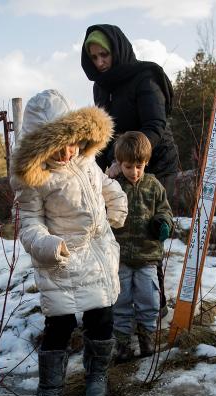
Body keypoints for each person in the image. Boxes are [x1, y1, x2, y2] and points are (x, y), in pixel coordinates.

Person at [10, 89, 128, 396]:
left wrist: (117, 201)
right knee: (59, 325)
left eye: (71, 143)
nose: (66, 153)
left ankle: (96, 377)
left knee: (101, 318)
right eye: (56, 147)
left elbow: (103, 183)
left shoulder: (86, 160)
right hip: (61, 261)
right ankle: (49, 388)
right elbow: (28, 223)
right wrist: (49, 246)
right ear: (40, 146)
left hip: (98, 255)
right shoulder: (35, 179)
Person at [81, 24, 181, 313]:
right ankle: (121, 297)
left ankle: (153, 304)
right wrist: (95, 166)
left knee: (147, 228)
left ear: (117, 50)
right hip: (119, 163)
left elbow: (155, 126)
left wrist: (131, 158)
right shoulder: (102, 85)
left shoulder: (145, 78)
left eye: (104, 55)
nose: (100, 63)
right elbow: (105, 129)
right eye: (94, 57)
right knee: (119, 228)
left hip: (154, 162)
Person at [110, 131, 173, 361]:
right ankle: (123, 343)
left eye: (139, 166)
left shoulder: (154, 186)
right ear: (119, 163)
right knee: (121, 301)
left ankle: (147, 337)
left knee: (150, 299)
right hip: (120, 258)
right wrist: (109, 174)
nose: (134, 172)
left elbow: (165, 210)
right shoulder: (113, 186)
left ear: (146, 163)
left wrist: (163, 223)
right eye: (128, 166)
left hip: (148, 256)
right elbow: (99, 204)